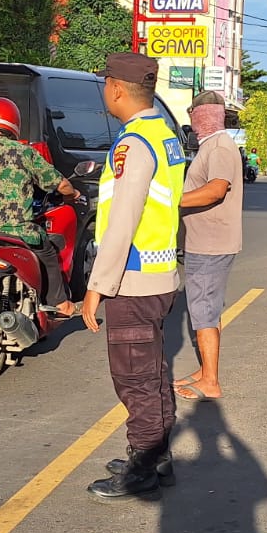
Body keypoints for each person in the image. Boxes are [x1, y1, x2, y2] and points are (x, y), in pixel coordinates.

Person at [83, 51, 185, 501]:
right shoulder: (164, 136)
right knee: (152, 373)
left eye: (105, 84)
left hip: (133, 278)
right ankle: (157, 457)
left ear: (116, 89)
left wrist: (97, 286)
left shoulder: (134, 144)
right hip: (159, 275)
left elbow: (122, 220)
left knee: (135, 379)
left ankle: (141, 468)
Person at [0, 95, 78, 317]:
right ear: (14, 124)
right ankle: (61, 304)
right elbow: (62, 185)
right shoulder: (26, 153)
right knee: (48, 253)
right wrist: (73, 194)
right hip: (17, 232)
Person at [173, 91, 242, 404]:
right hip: (205, 242)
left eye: (194, 115)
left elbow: (216, 190)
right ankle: (205, 371)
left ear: (202, 116)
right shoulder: (212, 146)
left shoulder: (220, 147)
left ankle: (211, 381)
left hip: (211, 245)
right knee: (207, 311)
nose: (193, 122)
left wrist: (172, 202)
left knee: (203, 312)